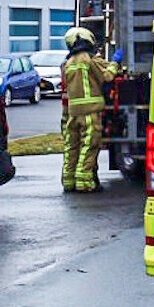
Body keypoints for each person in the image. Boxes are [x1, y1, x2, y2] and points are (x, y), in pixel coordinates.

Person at [58, 27, 119, 193]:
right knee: (89, 145)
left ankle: (68, 181)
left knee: (72, 146)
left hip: (73, 113)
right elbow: (107, 76)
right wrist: (115, 62)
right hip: (90, 112)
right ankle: (84, 182)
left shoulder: (67, 64)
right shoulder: (90, 59)